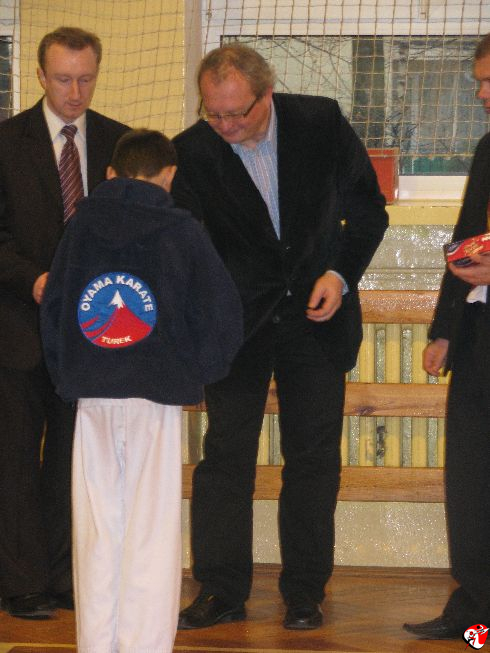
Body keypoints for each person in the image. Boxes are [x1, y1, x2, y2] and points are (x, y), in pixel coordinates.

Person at [172, 43, 388, 631]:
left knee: (312, 458)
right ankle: (220, 590)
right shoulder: (191, 151)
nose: (224, 126)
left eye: (236, 113)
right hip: (237, 325)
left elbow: (368, 209)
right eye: (214, 114)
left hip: (317, 319)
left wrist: (339, 274)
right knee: (225, 458)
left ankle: (304, 592)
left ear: (266, 94)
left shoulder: (320, 122)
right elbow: (190, 246)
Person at [40, 128, 243, 652]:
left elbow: (56, 308)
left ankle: (96, 644)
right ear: (169, 175)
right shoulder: (182, 231)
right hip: (156, 395)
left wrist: (68, 375)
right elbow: (221, 312)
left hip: (93, 396)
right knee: (151, 532)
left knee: (97, 530)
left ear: (111, 174)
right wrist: (201, 371)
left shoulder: (79, 228)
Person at [0, 27, 129, 620]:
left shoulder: (120, 143)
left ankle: (63, 575)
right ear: (40, 76)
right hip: (18, 329)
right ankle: (21, 582)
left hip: (91, 334)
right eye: (63, 79)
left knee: (74, 461)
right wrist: (33, 279)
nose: (75, 92)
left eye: (85, 79)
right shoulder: (7, 143)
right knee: (15, 457)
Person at [403, 33, 490, 640]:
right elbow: (466, 241)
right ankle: (476, 606)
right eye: (479, 81)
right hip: (480, 335)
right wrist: (444, 331)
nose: (482, 94)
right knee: (471, 477)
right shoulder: (487, 149)